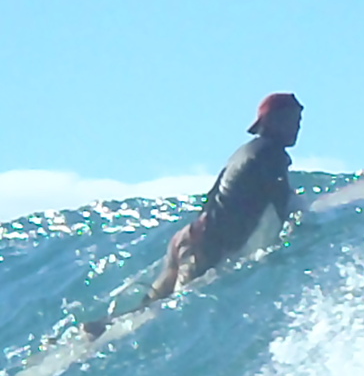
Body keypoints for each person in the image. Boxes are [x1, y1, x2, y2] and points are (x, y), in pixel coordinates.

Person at [83, 93, 307, 337]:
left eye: (299, 120)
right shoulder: (272, 154)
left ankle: (99, 328)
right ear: (274, 121)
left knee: (150, 307)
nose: (297, 126)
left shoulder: (246, 152)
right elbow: (281, 202)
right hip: (204, 247)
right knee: (165, 312)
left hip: (191, 237)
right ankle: (103, 330)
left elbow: (215, 197)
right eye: (293, 119)